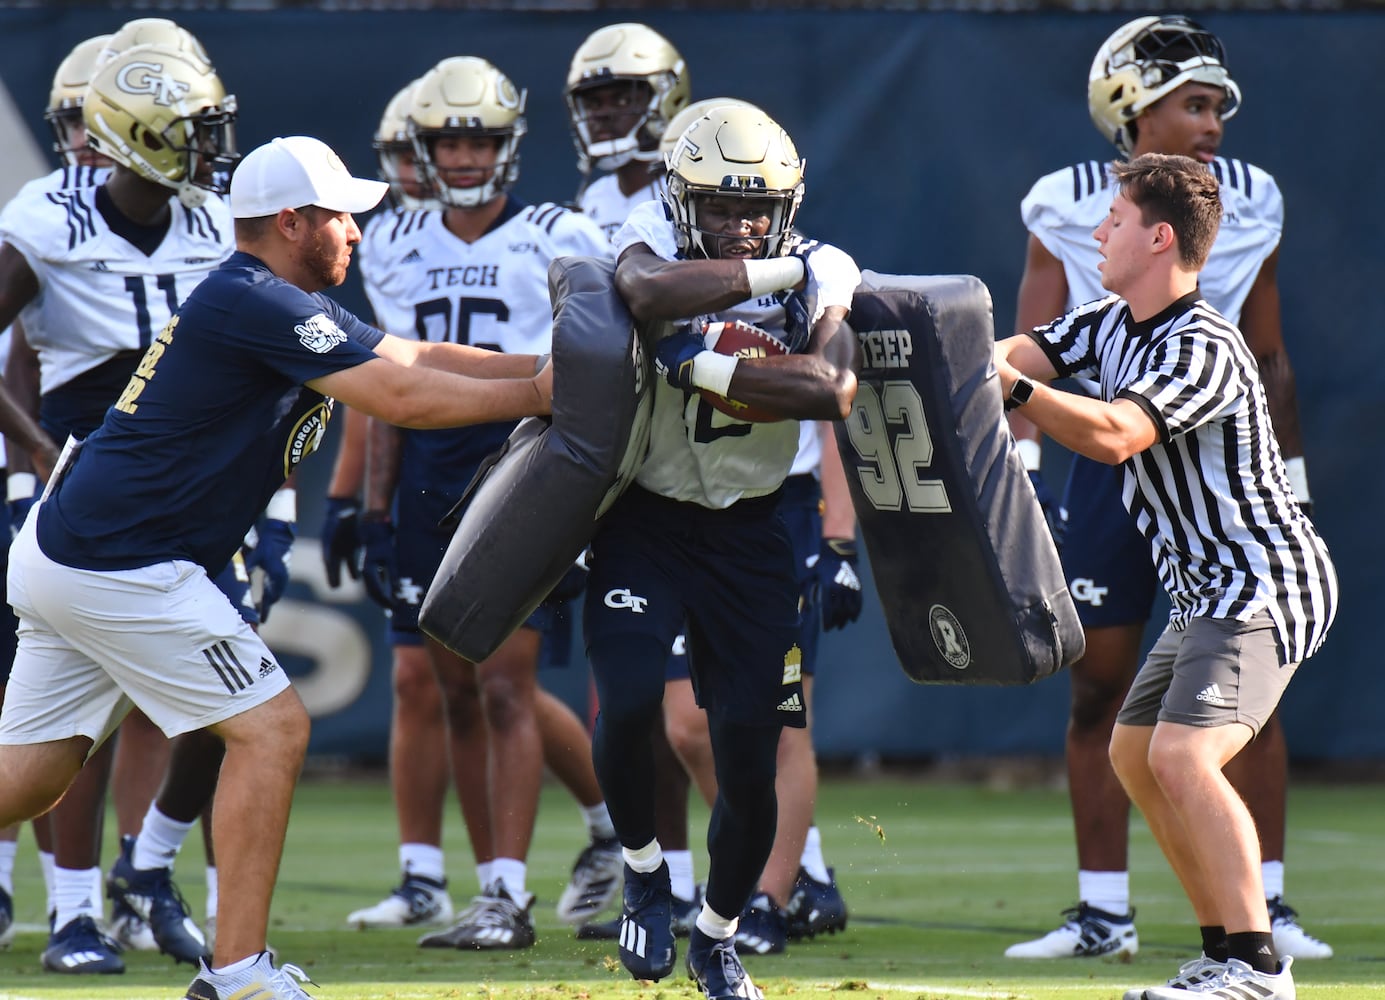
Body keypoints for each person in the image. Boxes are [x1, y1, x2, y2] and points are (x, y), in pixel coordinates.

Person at [0, 132, 552, 1000]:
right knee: (273, 728)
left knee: (27, 780)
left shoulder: (267, 297)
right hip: (122, 562)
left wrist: (547, 368)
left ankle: (236, 966)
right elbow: (402, 399)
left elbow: (412, 358)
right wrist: (538, 397)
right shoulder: (258, 301)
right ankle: (241, 975)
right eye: (343, 218)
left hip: (75, 551)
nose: (358, 234)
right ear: (293, 223)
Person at [1005, 15, 1330, 962]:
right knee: (1129, 750)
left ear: (1154, 238)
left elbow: (1111, 432)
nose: (1094, 229)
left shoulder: (1197, 342)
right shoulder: (1109, 321)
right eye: (1193, 102)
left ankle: (1256, 958)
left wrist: (1019, 388)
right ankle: (1206, 942)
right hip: (1204, 575)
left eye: (1112, 225)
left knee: (1188, 752)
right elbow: (1006, 354)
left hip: (1256, 572)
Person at [344, 55, 617, 950]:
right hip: (427, 469)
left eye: (482, 138)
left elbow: (599, 372)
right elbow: (385, 390)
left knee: (507, 683)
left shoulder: (561, 231)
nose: (464, 157)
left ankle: (508, 894)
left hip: (528, 465)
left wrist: (590, 496)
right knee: (450, 685)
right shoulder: (385, 240)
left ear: (510, 143)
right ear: (422, 147)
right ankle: (478, 885)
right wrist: (373, 510)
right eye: (449, 140)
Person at [594, 104, 860, 1000]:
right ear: (679, 199)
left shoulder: (828, 267)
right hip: (646, 516)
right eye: (719, 208)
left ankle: (716, 932)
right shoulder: (648, 231)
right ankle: (640, 869)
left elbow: (828, 388)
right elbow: (643, 293)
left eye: (759, 210)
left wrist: (695, 363)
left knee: (750, 762)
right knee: (629, 701)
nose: (742, 225)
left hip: (753, 528)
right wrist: (768, 277)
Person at [0, 35, 248, 972]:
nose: (209, 147)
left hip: (191, 484)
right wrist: (33, 452)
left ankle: (146, 868)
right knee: (75, 714)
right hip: (87, 486)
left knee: (220, 700)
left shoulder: (215, 216)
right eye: (190, 130)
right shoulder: (50, 215)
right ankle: (72, 913)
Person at [0, 29, 113, 950]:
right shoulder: (42, 212)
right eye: (75, 120)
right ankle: (39, 893)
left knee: (123, 704)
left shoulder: (195, 216)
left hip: (143, 483)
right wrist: (33, 454)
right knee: (29, 696)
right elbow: (27, 354)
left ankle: (124, 885)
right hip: (51, 479)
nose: (88, 140)